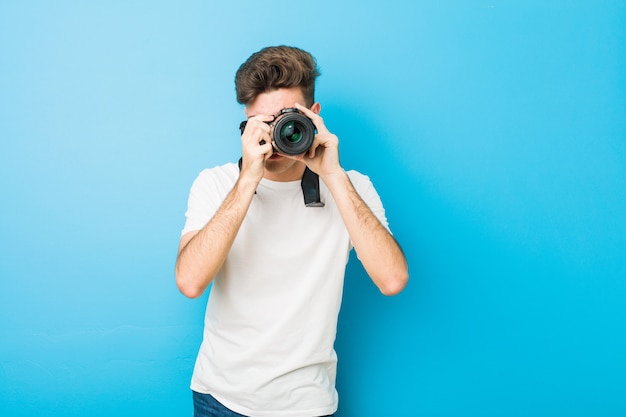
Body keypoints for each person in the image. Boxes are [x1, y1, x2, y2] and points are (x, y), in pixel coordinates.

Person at [175, 45, 409, 417]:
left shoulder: (352, 188)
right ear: (246, 123)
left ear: (313, 116)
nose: (278, 135)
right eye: (263, 123)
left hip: (308, 403)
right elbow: (189, 282)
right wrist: (249, 177)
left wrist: (332, 175)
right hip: (221, 398)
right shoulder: (216, 183)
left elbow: (393, 279)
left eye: (287, 120)